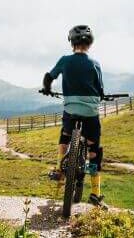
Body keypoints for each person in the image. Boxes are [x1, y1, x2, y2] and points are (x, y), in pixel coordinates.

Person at [41, 25, 106, 207]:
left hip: (71, 112)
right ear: (90, 44)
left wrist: (47, 89)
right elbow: (100, 89)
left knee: (65, 137)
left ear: (72, 42)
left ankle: (59, 170)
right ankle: (95, 193)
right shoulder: (95, 64)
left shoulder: (64, 60)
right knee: (94, 150)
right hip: (90, 115)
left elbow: (48, 77)